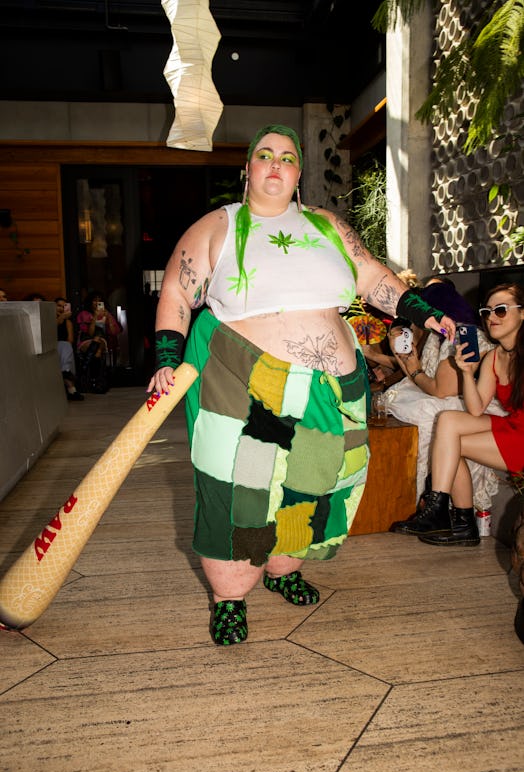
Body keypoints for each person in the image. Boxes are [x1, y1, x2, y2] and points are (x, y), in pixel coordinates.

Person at [148, 124, 455, 646]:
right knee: (240, 490)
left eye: (287, 158)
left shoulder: (327, 225)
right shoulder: (217, 228)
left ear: (298, 173)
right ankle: (230, 598)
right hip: (242, 380)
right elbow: (178, 291)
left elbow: (374, 279)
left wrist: (425, 312)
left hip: (330, 387)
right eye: (264, 155)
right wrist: (166, 359)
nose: (275, 164)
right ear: (247, 170)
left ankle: (283, 569)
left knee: (315, 480)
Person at [394, 283, 524, 547]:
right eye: (487, 311)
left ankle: (447, 514)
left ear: (522, 314)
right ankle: (457, 519)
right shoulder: (494, 357)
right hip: (514, 425)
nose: (491, 318)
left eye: (500, 310)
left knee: (450, 440)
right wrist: (466, 371)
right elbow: (475, 409)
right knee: (448, 420)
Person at [385, 280, 501, 512]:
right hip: (456, 402)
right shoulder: (437, 336)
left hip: (473, 405)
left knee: (431, 416)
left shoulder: (467, 336)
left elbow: (441, 390)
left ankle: (431, 503)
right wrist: (404, 359)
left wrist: (412, 367)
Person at [76, 291, 121, 394]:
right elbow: (90, 333)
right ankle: (96, 382)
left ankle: (83, 373)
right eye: (95, 300)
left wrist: (108, 317)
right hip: (86, 340)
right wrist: (95, 317)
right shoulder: (84, 314)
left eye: (99, 300)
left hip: (102, 340)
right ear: (90, 302)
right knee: (97, 349)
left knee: (98, 340)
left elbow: (114, 332)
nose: (97, 302)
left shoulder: (107, 313)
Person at [55, 297, 84, 401]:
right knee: (65, 347)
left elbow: (70, 340)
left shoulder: (68, 323)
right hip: (51, 346)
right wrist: (61, 317)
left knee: (66, 346)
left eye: (64, 306)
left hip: (62, 349)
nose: (61, 308)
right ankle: (72, 389)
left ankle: (66, 371)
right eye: (59, 305)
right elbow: (49, 330)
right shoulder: (49, 319)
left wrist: (64, 318)